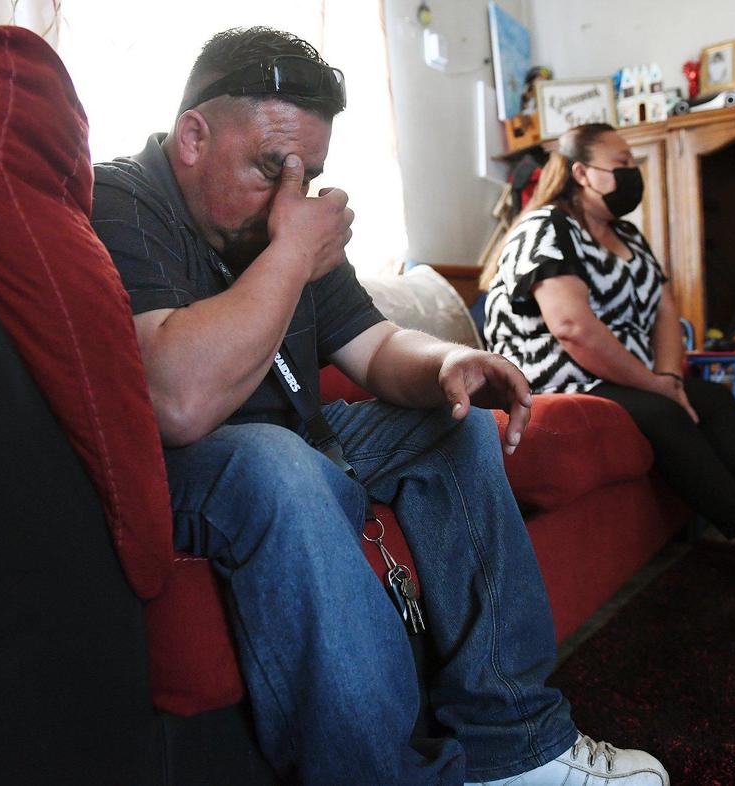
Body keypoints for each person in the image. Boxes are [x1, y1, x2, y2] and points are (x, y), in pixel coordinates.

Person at [91, 27, 669, 786]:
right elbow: (180, 402)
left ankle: (513, 743)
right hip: (183, 465)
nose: (291, 196)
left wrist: (450, 362)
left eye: (309, 173)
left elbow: (375, 345)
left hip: (297, 439)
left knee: (453, 428)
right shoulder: (122, 197)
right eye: (271, 167)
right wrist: (292, 253)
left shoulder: (279, 217)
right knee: (279, 464)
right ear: (194, 136)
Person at [481, 122, 735, 573]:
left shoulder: (628, 236)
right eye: (622, 164)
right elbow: (572, 327)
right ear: (582, 173)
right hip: (557, 373)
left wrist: (669, 378)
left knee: (708, 397)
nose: (634, 172)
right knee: (663, 411)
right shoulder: (546, 227)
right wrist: (655, 386)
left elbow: (665, 310)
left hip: (619, 374)